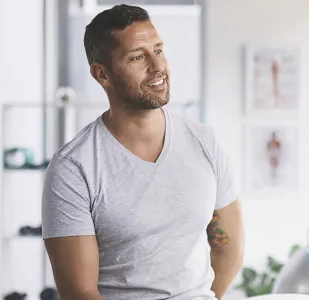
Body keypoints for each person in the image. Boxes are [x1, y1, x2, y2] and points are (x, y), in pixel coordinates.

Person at [41, 5, 244, 300]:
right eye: (137, 57)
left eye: (158, 51)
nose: (157, 66)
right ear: (102, 75)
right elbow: (79, 292)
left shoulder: (204, 141)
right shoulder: (73, 168)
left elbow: (229, 247)